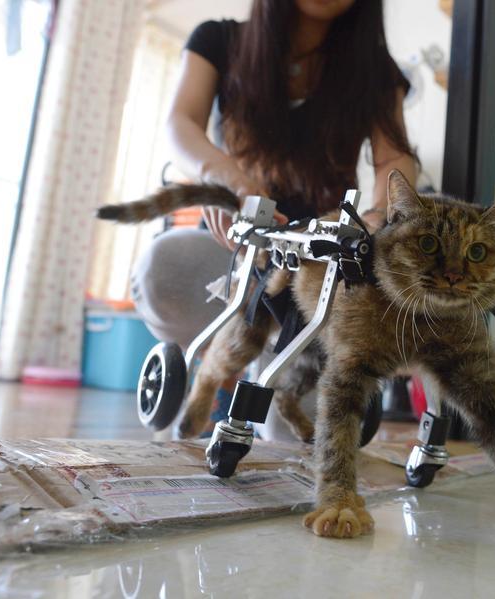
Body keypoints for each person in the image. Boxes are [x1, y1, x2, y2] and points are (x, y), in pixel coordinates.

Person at [130, 0, 418, 436]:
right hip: (232, 250)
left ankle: (259, 359)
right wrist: (225, 177)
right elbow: (180, 123)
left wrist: (379, 217)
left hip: (316, 269)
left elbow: (394, 159)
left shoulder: (376, 72)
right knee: (163, 271)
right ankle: (219, 361)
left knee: (296, 436)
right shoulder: (218, 40)